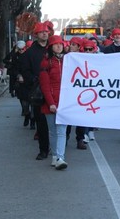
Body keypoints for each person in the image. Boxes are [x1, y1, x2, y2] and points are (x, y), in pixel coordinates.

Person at [21, 22, 50, 160]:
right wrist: (34, 80)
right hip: (39, 91)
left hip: (55, 89)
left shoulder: (53, 48)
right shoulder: (30, 53)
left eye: (46, 32)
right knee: (41, 121)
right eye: (41, 32)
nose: (44, 33)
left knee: (58, 121)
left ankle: (59, 147)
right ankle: (43, 149)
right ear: (36, 35)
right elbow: (25, 70)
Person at [39, 35, 68, 170]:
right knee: (53, 131)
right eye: (56, 45)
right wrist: (51, 103)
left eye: (60, 44)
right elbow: (45, 86)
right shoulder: (46, 63)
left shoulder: (68, 61)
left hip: (65, 102)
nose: (59, 46)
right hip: (50, 102)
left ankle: (60, 157)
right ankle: (55, 156)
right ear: (51, 47)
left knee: (61, 131)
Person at [65, 37, 88, 149]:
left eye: (74, 45)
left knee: (81, 116)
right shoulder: (66, 57)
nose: (72, 46)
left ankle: (80, 138)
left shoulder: (84, 58)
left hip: (81, 90)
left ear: (79, 47)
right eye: (71, 44)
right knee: (68, 115)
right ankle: (65, 136)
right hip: (69, 90)